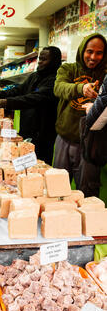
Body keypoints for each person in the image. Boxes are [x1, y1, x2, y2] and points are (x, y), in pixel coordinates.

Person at [53, 33, 107, 197]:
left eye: (99, 53)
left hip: (91, 144)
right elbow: (59, 88)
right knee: (57, 190)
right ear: (82, 50)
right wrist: (81, 89)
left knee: (88, 193)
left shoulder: (105, 75)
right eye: (89, 51)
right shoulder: (68, 69)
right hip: (64, 139)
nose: (93, 57)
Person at [0, 46, 62, 165]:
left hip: (44, 133)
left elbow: (33, 98)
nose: (40, 62)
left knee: (40, 164)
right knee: (24, 162)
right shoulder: (34, 76)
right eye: (40, 58)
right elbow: (18, 90)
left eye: (44, 59)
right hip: (27, 128)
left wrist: (6, 103)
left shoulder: (55, 80)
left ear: (54, 61)